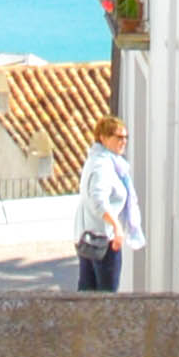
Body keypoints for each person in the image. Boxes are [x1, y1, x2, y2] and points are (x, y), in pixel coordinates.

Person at [71, 124, 140, 294]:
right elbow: (98, 201)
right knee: (107, 297)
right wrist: (116, 227)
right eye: (118, 137)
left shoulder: (97, 160)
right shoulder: (103, 165)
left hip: (88, 237)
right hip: (103, 240)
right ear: (103, 137)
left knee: (88, 293)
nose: (123, 142)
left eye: (125, 138)